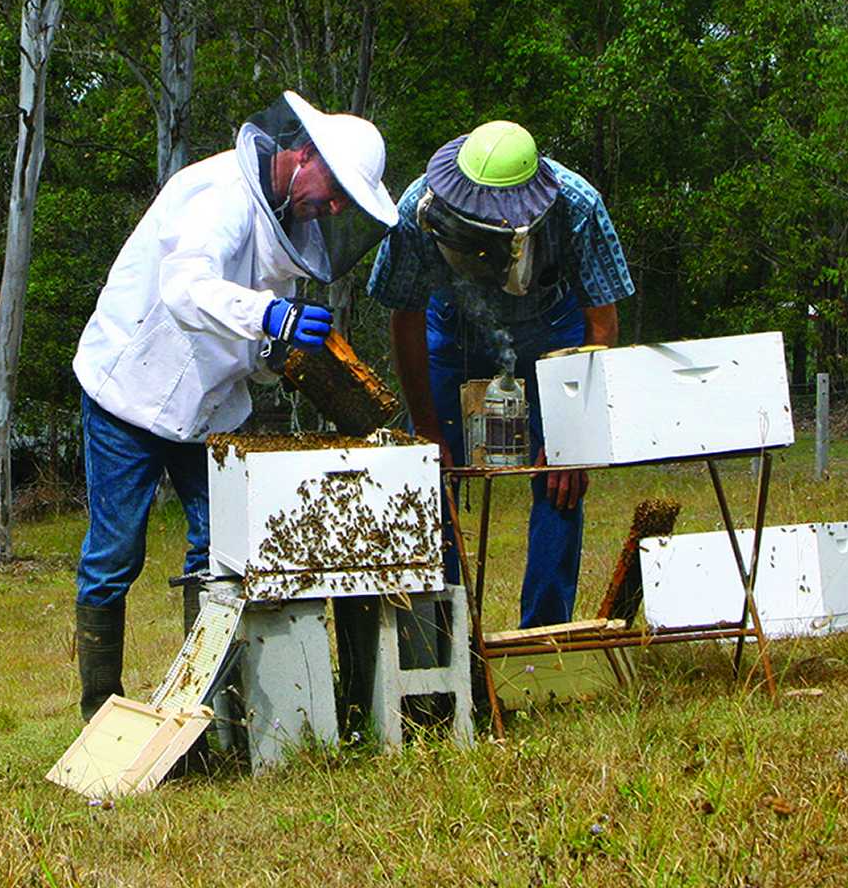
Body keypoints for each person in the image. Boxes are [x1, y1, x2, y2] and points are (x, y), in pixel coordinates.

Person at [71, 91, 396, 721]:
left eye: (343, 206)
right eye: (334, 193)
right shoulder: (220, 191)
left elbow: (251, 344)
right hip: (131, 392)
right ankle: (100, 717)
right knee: (114, 556)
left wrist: (286, 354)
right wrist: (270, 315)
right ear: (305, 154)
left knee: (218, 554)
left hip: (211, 408)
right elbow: (186, 288)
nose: (332, 209)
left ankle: (207, 715)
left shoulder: (290, 228)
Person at [368, 120, 634, 628]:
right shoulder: (414, 209)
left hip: (554, 331)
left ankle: (544, 633)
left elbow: (602, 321)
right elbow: (404, 316)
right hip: (451, 331)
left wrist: (572, 438)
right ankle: (441, 633)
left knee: (561, 479)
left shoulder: (578, 205)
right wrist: (426, 427)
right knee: (427, 476)